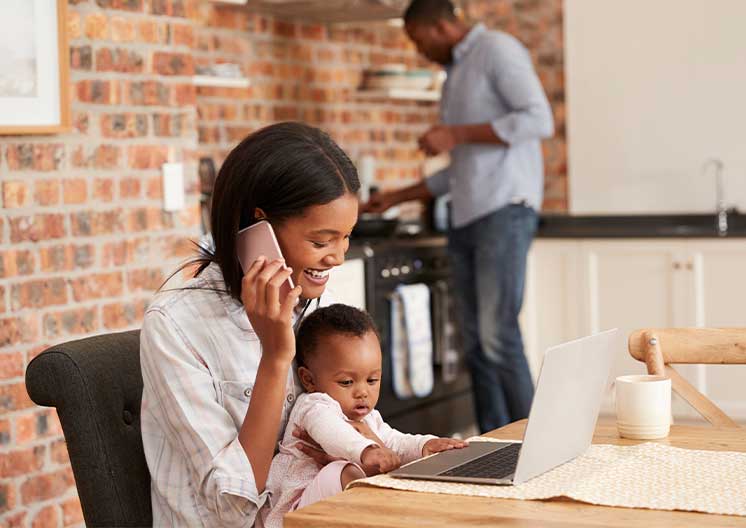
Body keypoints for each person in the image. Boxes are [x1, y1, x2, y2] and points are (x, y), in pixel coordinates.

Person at [139, 122, 362, 527]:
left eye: (345, 238)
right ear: (260, 227)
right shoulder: (176, 324)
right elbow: (233, 506)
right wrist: (276, 357)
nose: (337, 258)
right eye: (320, 241)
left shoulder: (298, 303)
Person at [364, 0, 554, 433]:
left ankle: (537, 440)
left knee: (497, 335)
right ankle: (494, 444)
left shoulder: (497, 51)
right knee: (475, 344)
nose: (419, 51)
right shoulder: (455, 76)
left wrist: (456, 133)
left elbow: (538, 119)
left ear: (440, 26)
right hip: (468, 219)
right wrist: (396, 196)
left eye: (418, 40)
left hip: (503, 212)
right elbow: (462, 169)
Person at [262, 304, 467, 527]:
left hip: (335, 510)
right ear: (309, 380)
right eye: (347, 382)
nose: (362, 392)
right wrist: (366, 450)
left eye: (372, 380)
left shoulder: (368, 418)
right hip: (294, 512)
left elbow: (394, 442)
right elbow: (331, 430)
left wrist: (424, 446)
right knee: (342, 471)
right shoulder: (314, 405)